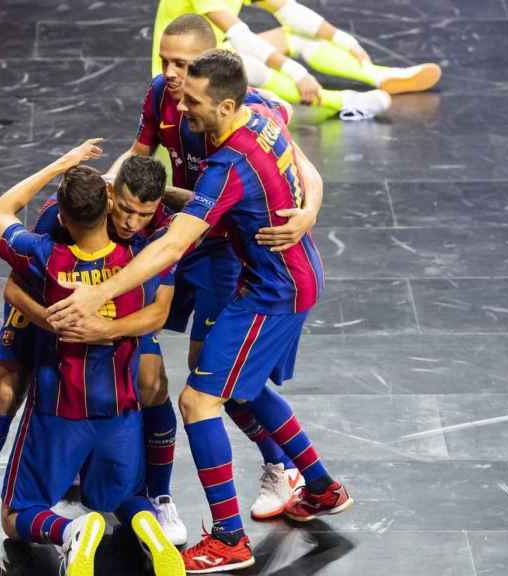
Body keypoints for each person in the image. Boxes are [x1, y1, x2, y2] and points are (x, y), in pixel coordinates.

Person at [47, 51, 351, 573]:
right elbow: (286, 173)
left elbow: (168, 248)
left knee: (197, 401)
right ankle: (320, 488)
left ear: (226, 103)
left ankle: (229, 538)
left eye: (193, 102)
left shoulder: (227, 165)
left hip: (270, 293)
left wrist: (96, 295)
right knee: (243, 393)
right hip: (290, 276)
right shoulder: (262, 117)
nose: (182, 107)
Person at [110, 13, 319, 524]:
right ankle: (119, 459)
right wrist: (104, 189)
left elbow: (301, 165)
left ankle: (278, 467)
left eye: (181, 63)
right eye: (165, 61)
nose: (171, 74)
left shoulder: (248, 110)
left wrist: (309, 210)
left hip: (227, 252)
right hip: (187, 227)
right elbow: (140, 156)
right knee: (133, 331)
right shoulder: (164, 94)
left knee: (215, 384)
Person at [0, 156, 183, 548]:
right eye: (124, 209)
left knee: (152, 381)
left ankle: (158, 497)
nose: (130, 222)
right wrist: (48, 318)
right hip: (42, 302)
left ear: (157, 207)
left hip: (105, 311)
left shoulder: (156, 229)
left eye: (144, 213)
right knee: (8, 390)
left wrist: (105, 327)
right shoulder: (57, 221)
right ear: (108, 195)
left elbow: (158, 312)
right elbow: (13, 287)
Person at [152, 0, 442, 121]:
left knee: (294, 36)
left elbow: (289, 10)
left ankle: (378, 75)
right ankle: (343, 102)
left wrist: (342, 39)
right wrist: (296, 72)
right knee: (247, 66)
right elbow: (242, 37)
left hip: (216, 53)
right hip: (180, 73)